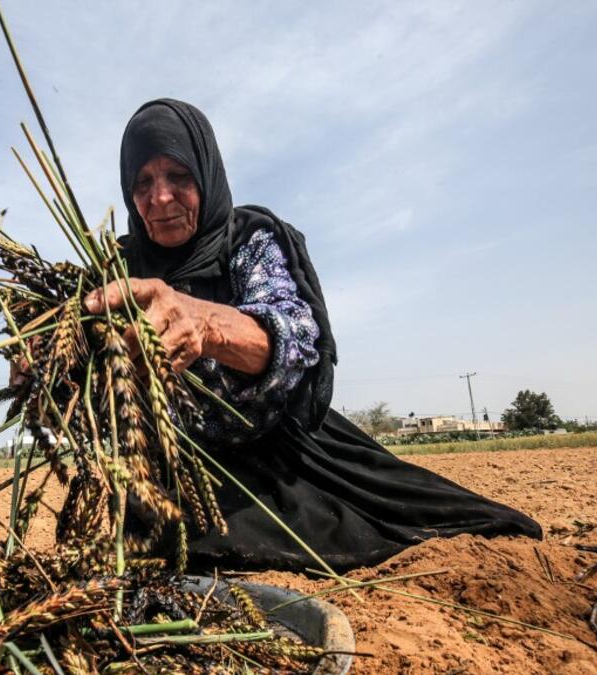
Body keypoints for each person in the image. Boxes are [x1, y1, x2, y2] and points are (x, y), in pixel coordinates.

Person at [82, 98, 542, 573]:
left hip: (289, 458)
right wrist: (44, 359)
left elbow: (296, 336)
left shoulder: (248, 240)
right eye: (143, 182)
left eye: (178, 176)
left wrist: (205, 323)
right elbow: (79, 364)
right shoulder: (116, 271)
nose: (160, 198)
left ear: (207, 173)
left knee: (458, 528)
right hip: (178, 478)